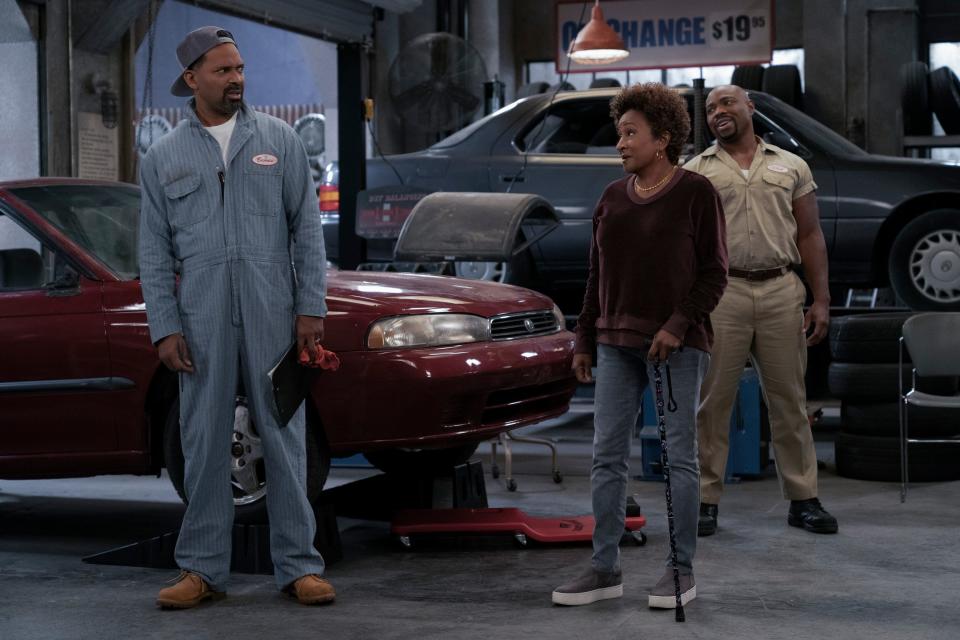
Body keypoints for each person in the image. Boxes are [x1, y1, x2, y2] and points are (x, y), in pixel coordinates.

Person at [139, 26, 334, 608]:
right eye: (223, 71)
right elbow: (152, 251)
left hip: (274, 310)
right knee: (202, 442)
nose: (236, 79)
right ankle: (201, 569)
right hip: (200, 318)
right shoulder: (163, 157)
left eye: (239, 69)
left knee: (283, 436)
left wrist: (310, 308)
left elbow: (307, 231)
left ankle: (299, 566)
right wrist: (164, 326)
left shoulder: (278, 140)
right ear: (192, 79)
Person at [552, 83, 728, 610]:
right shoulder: (611, 198)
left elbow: (715, 274)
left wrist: (676, 325)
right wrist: (585, 337)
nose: (621, 143)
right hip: (614, 344)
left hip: (675, 346)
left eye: (631, 133)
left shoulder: (696, 193)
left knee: (679, 458)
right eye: (619, 132)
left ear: (664, 138)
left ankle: (680, 568)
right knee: (607, 458)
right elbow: (595, 276)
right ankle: (605, 568)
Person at [684, 85, 837, 537]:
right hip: (723, 294)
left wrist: (821, 298)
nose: (718, 113)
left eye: (727, 103)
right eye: (710, 109)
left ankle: (803, 499)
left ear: (750, 107)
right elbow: (687, 247)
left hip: (781, 291)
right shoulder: (696, 172)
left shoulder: (791, 165)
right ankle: (706, 501)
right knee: (713, 404)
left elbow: (809, 235)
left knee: (790, 402)